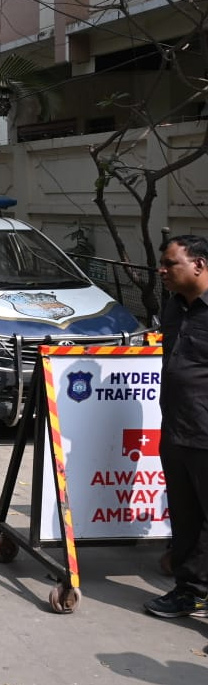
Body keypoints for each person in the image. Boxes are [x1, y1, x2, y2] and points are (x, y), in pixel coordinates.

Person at [145, 234, 208, 618]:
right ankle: (191, 592)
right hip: (176, 430)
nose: (162, 270)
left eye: (171, 264)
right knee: (186, 519)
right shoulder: (173, 308)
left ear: (199, 265)